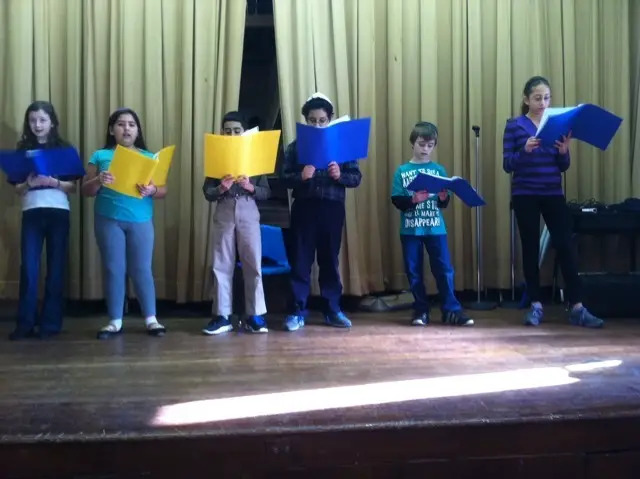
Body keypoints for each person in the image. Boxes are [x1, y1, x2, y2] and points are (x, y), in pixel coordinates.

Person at [502, 75, 603, 328]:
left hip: (552, 193)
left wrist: (564, 152)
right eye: (537, 98)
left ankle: (578, 307)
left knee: (565, 246)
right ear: (526, 99)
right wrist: (523, 151)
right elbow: (507, 164)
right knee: (530, 249)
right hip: (525, 194)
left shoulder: (556, 124)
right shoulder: (515, 126)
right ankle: (535, 305)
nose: (543, 103)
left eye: (546, 98)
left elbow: (563, 166)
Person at [82, 107, 168, 339]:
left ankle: (151, 319)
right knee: (113, 269)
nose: (126, 128)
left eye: (131, 124)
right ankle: (115, 320)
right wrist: (99, 180)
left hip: (141, 221)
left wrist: (152, 190)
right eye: (121, 124)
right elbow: (85, 190)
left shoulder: (149, 158)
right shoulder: (100, 156)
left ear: (137, 130)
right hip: (108, 221)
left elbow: (162, 191)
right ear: (112, 130)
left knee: (142, 269)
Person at [280, 93, 362, 331]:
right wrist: (301, 177)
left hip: (332, 209)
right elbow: (284, 179)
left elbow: (356, 178)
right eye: (312, 120)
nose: (317, 124)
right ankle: (297, 311)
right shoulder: (295, 147)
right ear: (306, 120)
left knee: (329, 260)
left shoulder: (342, 146)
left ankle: (332, 309)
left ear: (330, 119)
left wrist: (340, 176)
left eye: (322, 120)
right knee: (301, 261)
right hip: (304, 209)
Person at [390, 121, 474, 327]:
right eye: (421, 144)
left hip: (435, 227)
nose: (425, 149)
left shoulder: (438, 169)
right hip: (411, 229)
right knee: (414, 272)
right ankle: (421, 310)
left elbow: (441, 203)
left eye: (430, 145)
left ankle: (451, 311)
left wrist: (444, 197)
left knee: (444, 270)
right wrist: (413, 200)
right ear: (413, 143)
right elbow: (396, 200)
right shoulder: (402, 170)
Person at [9, 101, 79, 340]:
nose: (37, 125)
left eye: (42, 120)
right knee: (29, 268)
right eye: (32, 120)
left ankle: (50, 324)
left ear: (52, 122)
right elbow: (17, 189)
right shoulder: (22, 149)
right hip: (32, 212)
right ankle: (25, 323)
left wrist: (54, 182)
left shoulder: (65, 149)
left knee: (56, 268)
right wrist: (29, 182)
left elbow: (73, 187)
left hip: (58, 212)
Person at [202, 111, 271, 335]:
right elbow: (207, 192)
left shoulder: (255, 157)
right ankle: (222, 316)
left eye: (236, 130)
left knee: (253, 262)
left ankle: (255, 315)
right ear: (222, 133)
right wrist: (221, 188)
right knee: (221, 262)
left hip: (248, 209)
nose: (232, 134)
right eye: (227, 131)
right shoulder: (217, 156)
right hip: (224, 208)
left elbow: (265, 192)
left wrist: (251, 186)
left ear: (244, 132)